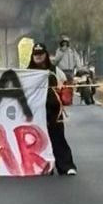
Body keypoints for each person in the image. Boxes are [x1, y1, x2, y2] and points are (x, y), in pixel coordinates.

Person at [28, 42, 77, 176]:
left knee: (58, 138)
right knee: (37, 140)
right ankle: (41, 167)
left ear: (45, 55)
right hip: (35, 113)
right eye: (35, 54)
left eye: (41, 54)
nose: (38, 57)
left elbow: (64, 85)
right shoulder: (27, 73)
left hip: (54, 111)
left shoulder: (55, 71)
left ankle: (66, 166)